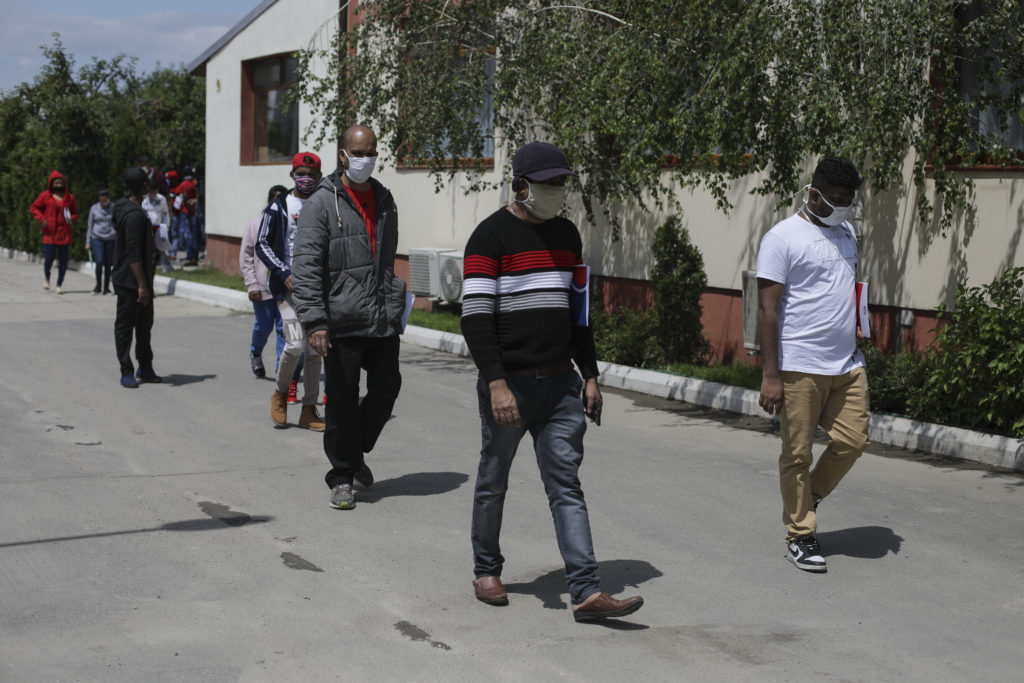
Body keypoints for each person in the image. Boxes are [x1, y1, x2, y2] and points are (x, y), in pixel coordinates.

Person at [460, 141, 644, 622]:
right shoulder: (489, 237)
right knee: (494, 479)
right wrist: (496, 384)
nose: (558, 191)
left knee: (566, 484)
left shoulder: (566, 235)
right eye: (549, 183)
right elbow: (475, 318)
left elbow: (578, 314)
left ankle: (586, 590)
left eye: (562, 182)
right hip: (510, 385)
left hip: (561, 385)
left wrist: (591, 375)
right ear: (521, 185)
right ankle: (486, 570)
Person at [756, 155, 869, 574]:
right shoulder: (782, 238)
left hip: (846, 364)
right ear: (814, 194)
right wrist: (770, 375)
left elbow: (846, 286)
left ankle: (806, 499)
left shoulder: (848, 233)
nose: (843, 208)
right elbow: (768, 311)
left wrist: (858, 321)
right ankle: (800, 535)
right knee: (797, 454)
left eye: (849, 201)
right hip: (799, 365)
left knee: (853, 442)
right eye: (836, 200)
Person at [291, 126, 403, 510]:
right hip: (340, 319)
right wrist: (316, 321)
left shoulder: (385, 199)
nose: (365, 159)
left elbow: (385, 261)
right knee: (341, 400)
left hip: (380, 317)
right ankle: (341, 476)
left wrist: (393, 305)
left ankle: (353, 452)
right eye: (358, 152)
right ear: (343, 155)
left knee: (387, 387)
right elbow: (306, 266)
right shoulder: (321, 204)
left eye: (371, 152)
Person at [255, 153, 326, 432]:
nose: (305, 179)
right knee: (295, 344)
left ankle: (309, 408)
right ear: (292, 175)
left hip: (317, 289)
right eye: (301, 173)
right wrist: (283, 273)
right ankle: (281, 393)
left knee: (315, 350)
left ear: (319, 177)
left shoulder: (323, 203)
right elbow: (262, 243)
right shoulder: (279, 206)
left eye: (311, 174)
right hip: (288, 292)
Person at [112, 167, 161, 388]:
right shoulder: (132, 215)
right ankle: (126, 370)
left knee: (144, 325)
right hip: (130, 281)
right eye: (146, 182)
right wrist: (141, 285)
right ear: (142, 186)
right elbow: (132, 251)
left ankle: (145, 367)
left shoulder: (129, 208)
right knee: (125, 327)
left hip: (141, 280)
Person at [240, 184, 288, 378]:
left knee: (284, 329)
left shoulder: (289, 224)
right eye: (275, 200)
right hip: (262, 288)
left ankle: (280, 367)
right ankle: (256, 353)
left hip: (285, 287)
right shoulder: (255, 225)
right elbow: (246, 257)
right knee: (263, 327)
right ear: (269, 202)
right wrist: (252, 284)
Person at [30, 170, 78, 294]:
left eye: (60, 183)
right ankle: (47, 277)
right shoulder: (45, 196)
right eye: (56, 183)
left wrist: (71, 219)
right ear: (51, 184)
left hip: (64, 234)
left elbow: (74, 213)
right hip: (49, 234)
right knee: (49, 259)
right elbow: (34, 208)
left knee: (63, 261)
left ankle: (59, 284)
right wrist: (42, 218)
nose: (58, 185)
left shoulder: (69, 198)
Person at [86, 189, 116, 294]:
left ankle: (106, 287)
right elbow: (90, 226)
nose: (104, 203)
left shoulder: (114, 207)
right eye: (101, 201)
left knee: (108, 264)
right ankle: (98, 286)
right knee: (99, 261)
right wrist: (88, 242)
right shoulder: (94, 208)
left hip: (111, 238)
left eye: (105, 200)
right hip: (97, 237)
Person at [142, 183, 172, 274]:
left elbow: (165, 214)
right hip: (146, 228)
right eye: (151, 192)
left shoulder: (161, 199)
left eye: (154, 192)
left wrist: (166, 227)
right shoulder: (144, 199)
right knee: (148, 249)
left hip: (158, 227)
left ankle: (165, 266)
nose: (153, 194)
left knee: (161, 248)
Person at [173, 167, 200, 266]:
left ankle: (190, 256)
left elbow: (181, 195)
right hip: (195, 211)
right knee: (194, 234)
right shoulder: (194, 183)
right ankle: (195, 255)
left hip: (186, 211)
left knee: (188, 235)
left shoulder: (183, 184)